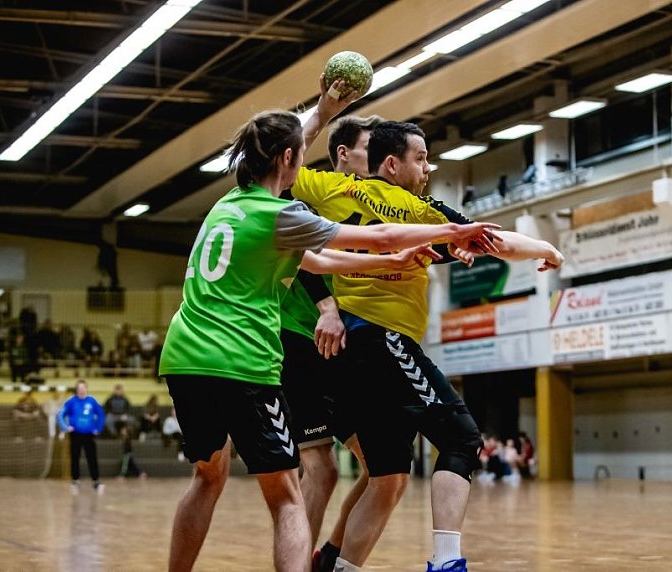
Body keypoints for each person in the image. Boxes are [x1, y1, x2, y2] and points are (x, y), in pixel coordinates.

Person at [158, 99, 500, 572]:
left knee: (207, 478)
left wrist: (388, 264)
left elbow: (319, 262)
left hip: (183, 357)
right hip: (241, 359)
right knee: (287, 496)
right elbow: (374, 238)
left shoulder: (226, 207)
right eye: (300, 152)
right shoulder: (279, 213)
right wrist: (451, 233)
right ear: (287, 159)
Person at [295, 87, 563, 572]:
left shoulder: (329, 189)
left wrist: (319, 115)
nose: (428, 168)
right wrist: (546, 247)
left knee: (388, 475)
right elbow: (496, 241)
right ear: (392, 165)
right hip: (383, 339)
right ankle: (445, 563)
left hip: (348, 354)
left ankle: (339, 569)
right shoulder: (423, 212)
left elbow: (285, 162)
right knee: (461, 441)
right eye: (421, 158)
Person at [278, 114, 383, 571]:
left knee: (385, 464)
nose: (379, 158)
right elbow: (299, 251)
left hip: (344, 347)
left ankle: (330, 558)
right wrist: (326, 306)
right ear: (343, 154)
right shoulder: (308, 192)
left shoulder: (382, 202)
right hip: (298, 339)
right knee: (321, 468)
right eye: (368, 149)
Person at [58, 380, 106, 494]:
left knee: (92, 458)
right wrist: (65, 427)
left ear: (86, 389)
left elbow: (101, 414)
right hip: (75, 434)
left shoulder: (92, 401)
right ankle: (75, 481)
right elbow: (60, 414)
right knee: (75, 457)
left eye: (83, 388)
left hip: (89, 435)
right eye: (79, 388)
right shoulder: (71, 401)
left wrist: (98, 428)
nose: (81, 390)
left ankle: (96, 481)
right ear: (76, 390)